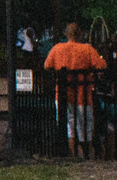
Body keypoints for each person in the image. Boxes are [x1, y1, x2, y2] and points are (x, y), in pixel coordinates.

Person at [44, 22, 108, 157]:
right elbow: (101, 65)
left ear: (66, 34)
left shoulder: (57, 49)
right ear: (80, 34)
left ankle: (72, 153)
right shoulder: (87, 49)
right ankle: (87, 153)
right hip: (83, 93)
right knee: (85, 125)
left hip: (63, 94)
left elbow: (47, 65)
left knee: (69, 125)